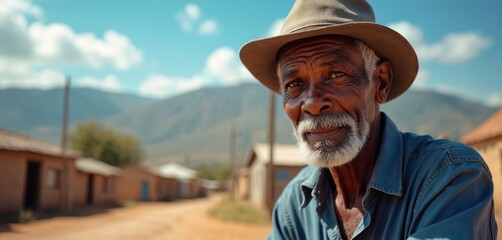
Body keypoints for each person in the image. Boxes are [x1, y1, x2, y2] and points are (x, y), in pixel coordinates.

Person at [239, 0, 498, 239]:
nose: (314, 103)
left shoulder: (448, 177)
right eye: (295, 84)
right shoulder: (292, 206)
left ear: (380, 83)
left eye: (337, 75)